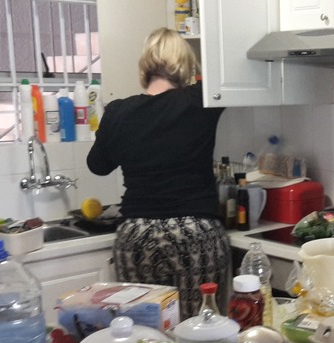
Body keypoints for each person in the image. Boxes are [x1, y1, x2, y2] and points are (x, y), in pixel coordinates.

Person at [87, 27, 229, 320]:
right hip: (193, 232)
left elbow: (98, 166)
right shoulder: (201, 100)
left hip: (136, 235)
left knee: (143, 337)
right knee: (197, 332)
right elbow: (231, 65)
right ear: (185, 66)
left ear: (145, 66)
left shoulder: (117, 111)